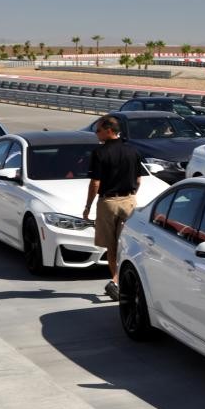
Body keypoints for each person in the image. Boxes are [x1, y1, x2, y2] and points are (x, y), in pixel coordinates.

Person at [83, 116, 145, 301]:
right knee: (126, 244)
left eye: (98, 130)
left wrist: (88, 206)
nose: (96, 133)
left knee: (111, 246)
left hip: (108, 203)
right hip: (129, 201)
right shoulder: (133, 151)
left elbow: (95, 183)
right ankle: (121, 281)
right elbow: (139, 180)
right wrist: (131, 195)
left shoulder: (99, 153)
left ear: (109, 130)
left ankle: (116, 281)